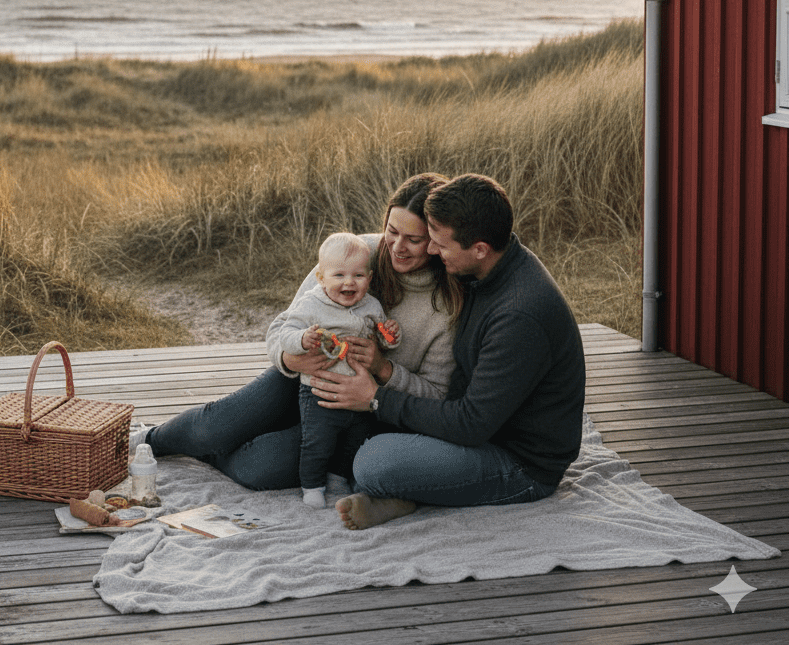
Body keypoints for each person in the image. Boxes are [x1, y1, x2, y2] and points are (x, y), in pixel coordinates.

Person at [131, 173, 461, 490]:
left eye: (413, 239)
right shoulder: (354, 253)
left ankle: (211, 453)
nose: (396, 247)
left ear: (436, 240)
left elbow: (435, 395)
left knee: (259, 467)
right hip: (301, 381)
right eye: (392, 231)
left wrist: (383, 370)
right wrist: (292, 359)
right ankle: (149, 439)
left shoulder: (445, 308)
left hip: (361, 413)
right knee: (216, 427)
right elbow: (283, 326)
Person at [315, 173, 587, 531]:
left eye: (440, 246)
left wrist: (377, 399)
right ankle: (407, 493)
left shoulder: (519, 315)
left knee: (374, 462)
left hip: (518, 463)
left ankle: (407, 490)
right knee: (358, 442)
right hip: (476, 427)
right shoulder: (488, 267)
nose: (430, 250)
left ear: (479, 248)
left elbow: (471, 424)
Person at [269, 231, 400, 508]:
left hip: (359, 394)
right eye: (339, 276)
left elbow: (383, 338)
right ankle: (312, 486)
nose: (349, 283)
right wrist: (302, 339)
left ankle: (340, 478)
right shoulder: (312, 305)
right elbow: (286, 333)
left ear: (370, 278)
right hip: (320, 391)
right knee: (317, 442)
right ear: (321, 278)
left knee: (356, 439)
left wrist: (390, 335)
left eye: (358, 276)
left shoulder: (371, 306)